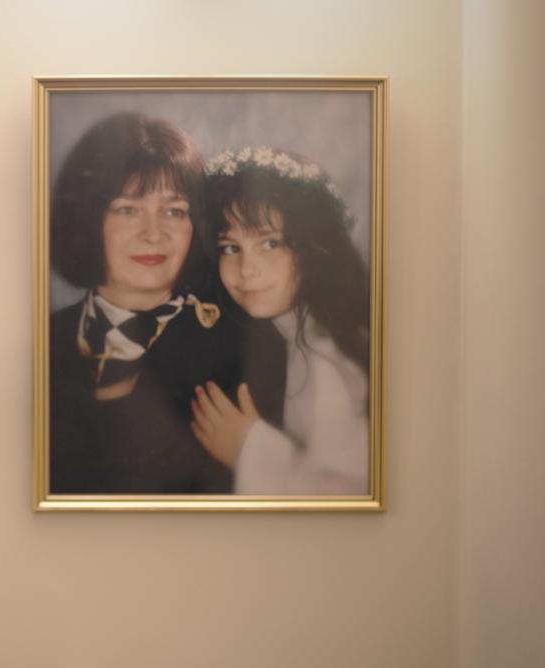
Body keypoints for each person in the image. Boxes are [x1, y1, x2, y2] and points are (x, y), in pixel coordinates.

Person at [48, 112, 265, 494]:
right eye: (127, 209)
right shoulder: (46, 339)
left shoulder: (242, 344)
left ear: (195, 225)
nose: (154, 234)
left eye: (174, 211)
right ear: (87, 219)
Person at [191, 148, 370, 494]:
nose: (247, 269)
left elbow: (347, 495)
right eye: (230, 247)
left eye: (270, 243)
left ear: (312, 246)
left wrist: (248, 446)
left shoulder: (326, 356)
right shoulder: (286, 332)